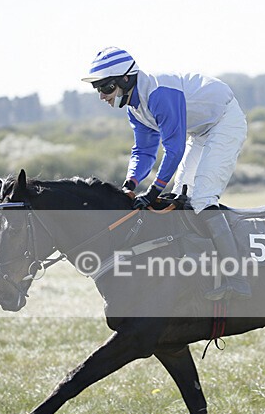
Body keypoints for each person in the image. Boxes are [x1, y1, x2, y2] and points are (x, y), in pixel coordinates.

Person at [81, 47, 250, 300]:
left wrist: (153, 190)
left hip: (224, 121)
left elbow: (174, 149)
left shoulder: (160, 94)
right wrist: (131, 182)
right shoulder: (134, 108)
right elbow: (144, 150)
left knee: (202, 198)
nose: (102, 97)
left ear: (126, 79)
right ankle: (198, 267)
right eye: (99, 90)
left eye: (106, 88)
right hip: (201, 130)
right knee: (180, 198)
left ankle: (238, 280)